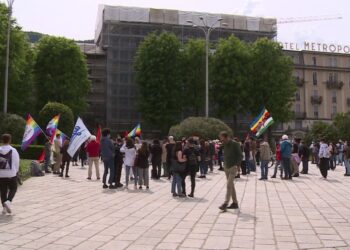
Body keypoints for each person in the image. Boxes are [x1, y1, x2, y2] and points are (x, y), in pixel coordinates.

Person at [219, 131, 242, 212]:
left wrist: (238, 165)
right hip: (226, 167)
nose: (221, 141)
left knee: (229, 185)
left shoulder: (235, 144)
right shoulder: (224, 144)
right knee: (231, 185)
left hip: (233, 167)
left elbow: (240, 155)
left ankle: (225, 203)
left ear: (226, 137)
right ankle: (235, 203)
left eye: (222, 139)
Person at [0, 134, 20, 215]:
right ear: (10, 140)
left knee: (3, 191)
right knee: (13, 188)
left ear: (2, 140)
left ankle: (4, 208)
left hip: (1, 174)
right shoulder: (13, 150)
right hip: (11, 174)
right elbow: (16, 162)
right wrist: (16, 171)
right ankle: (8, 202)